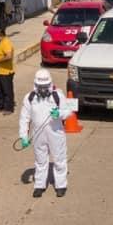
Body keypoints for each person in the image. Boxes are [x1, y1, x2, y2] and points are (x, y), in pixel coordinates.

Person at [19, 69, 72, 198]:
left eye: (45, 86)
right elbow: (24, 117)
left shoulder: (58, 96)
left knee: (59, 159)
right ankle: (39, 185)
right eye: (40, 86)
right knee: (40, 160)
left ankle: (61, 185)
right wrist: (23, 136)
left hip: (56, 132)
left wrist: (59, 114)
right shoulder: (30, 98)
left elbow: (69, 112)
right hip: (38, 135)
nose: (43, 89)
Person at [0, 28, 15, 114]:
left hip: (6, 71)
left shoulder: (6, 42)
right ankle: (0, 105)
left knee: (7, 90)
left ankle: (9, 108)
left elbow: (9, 56)